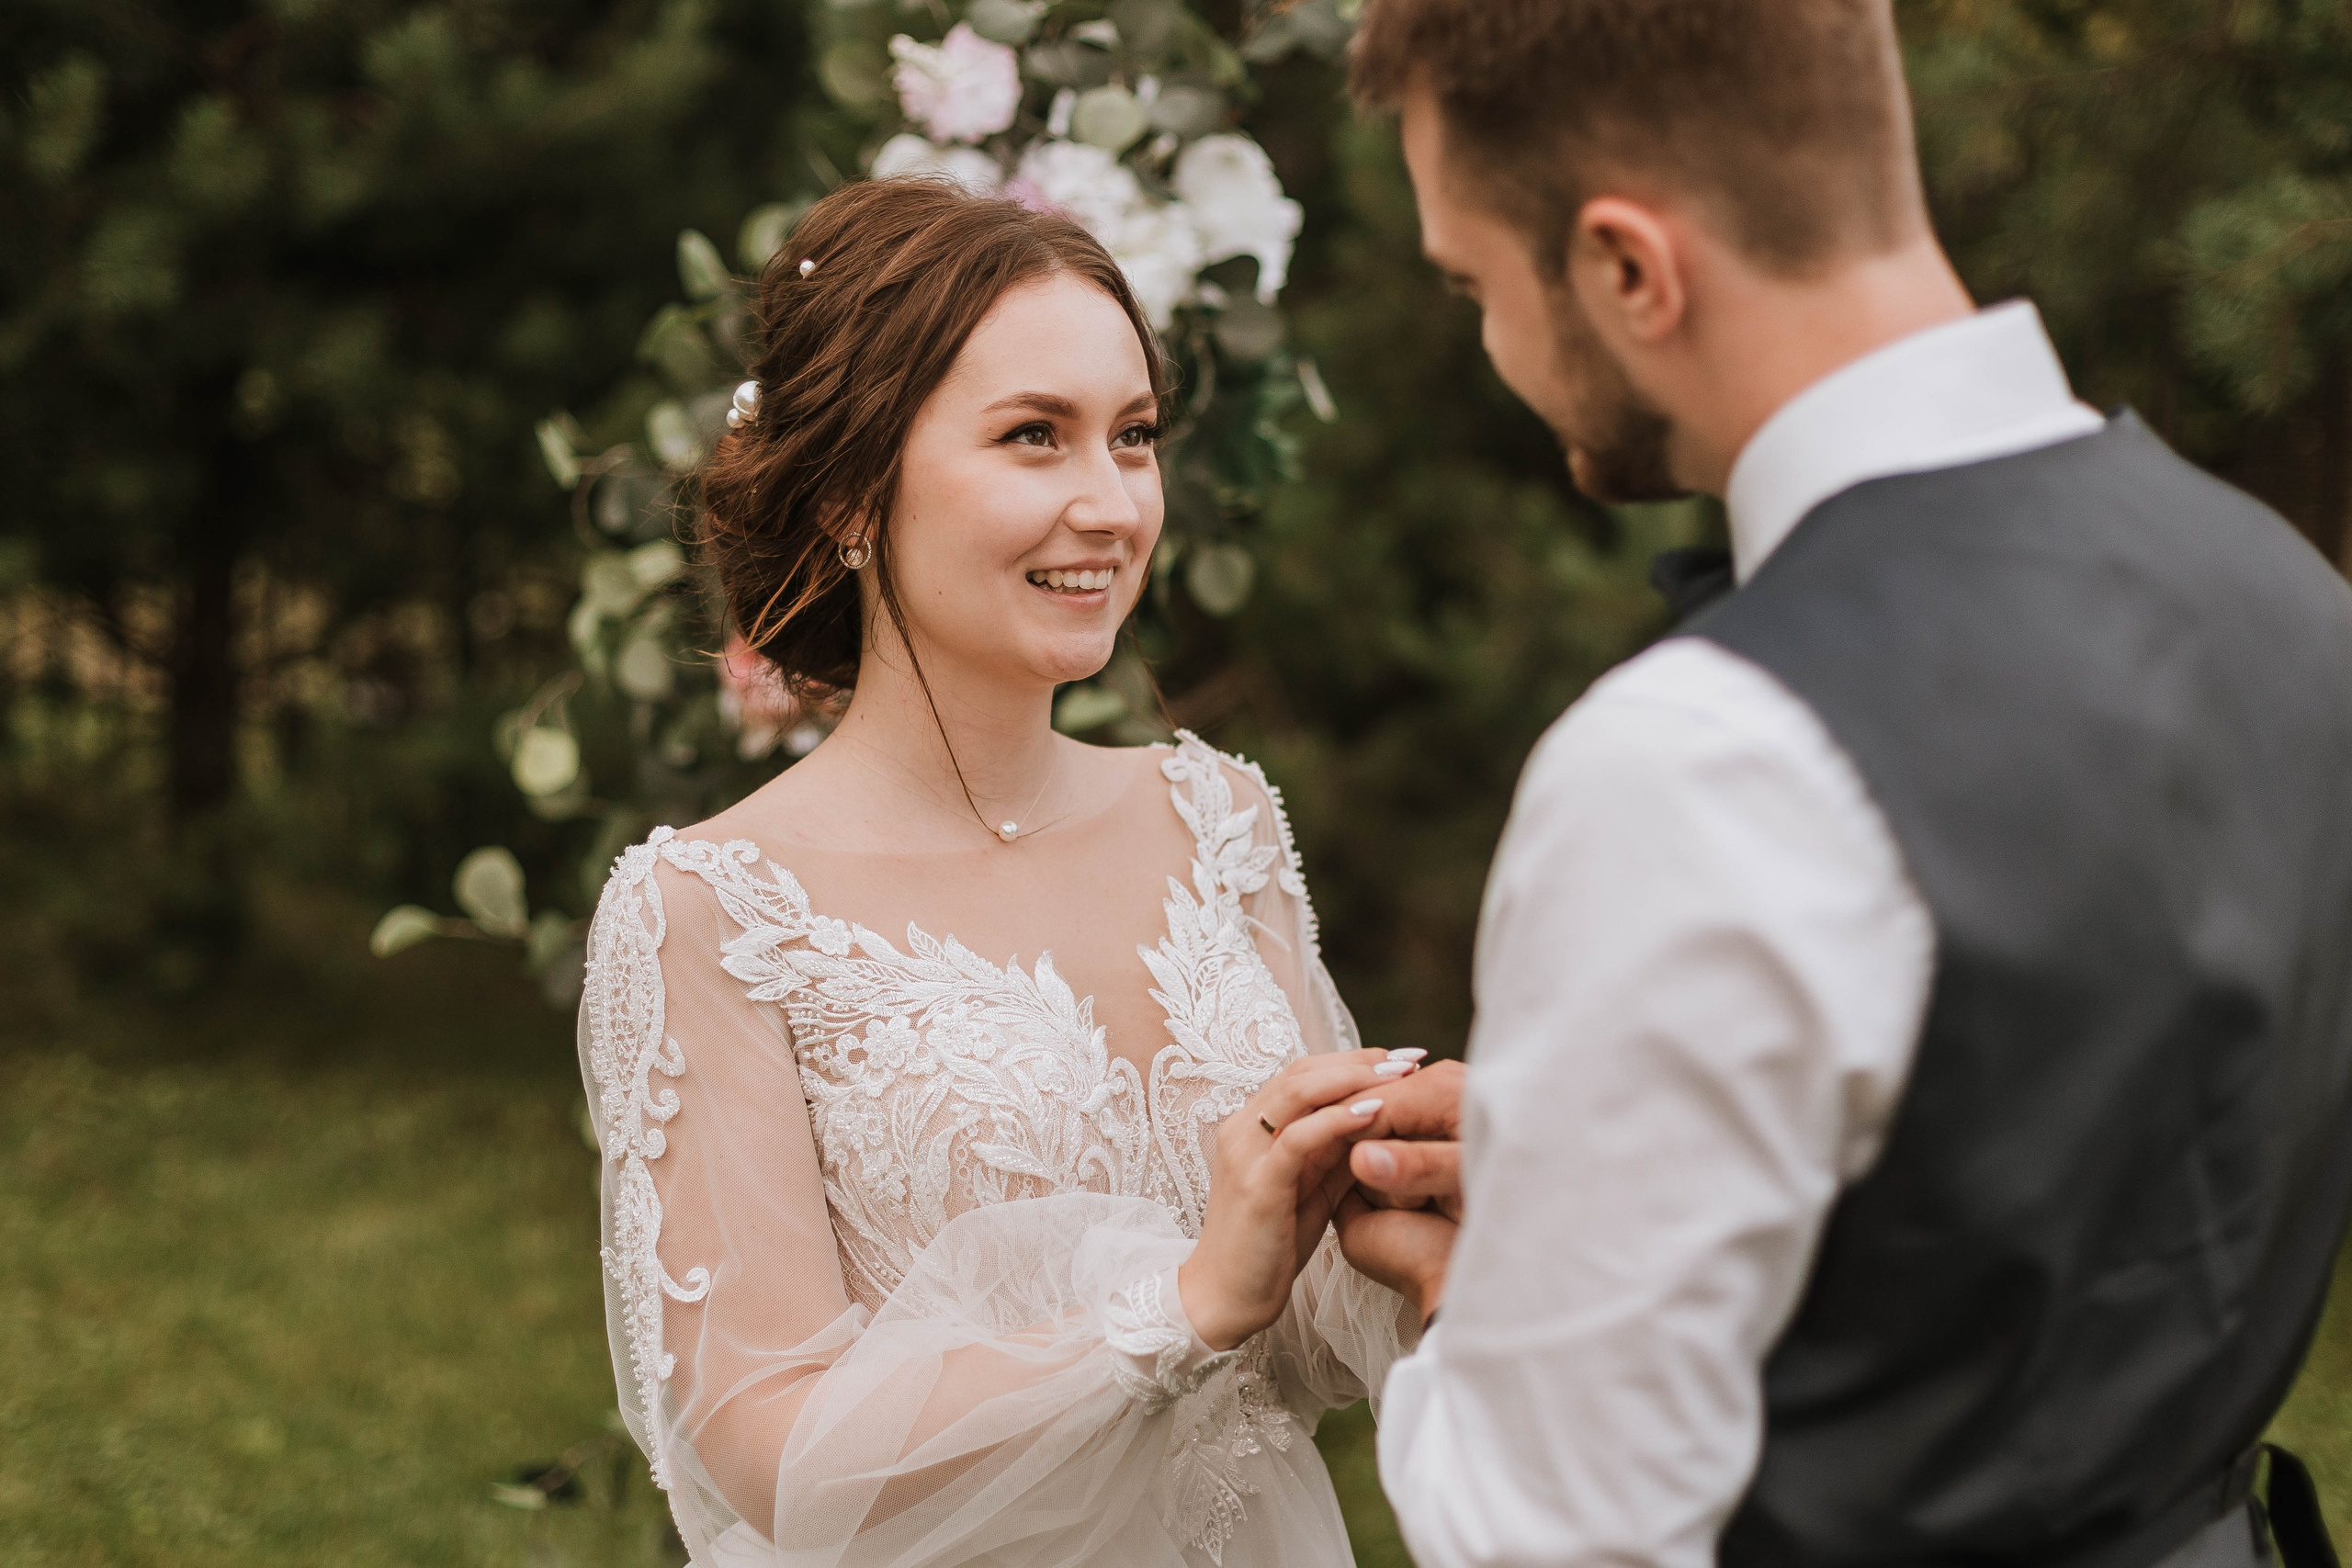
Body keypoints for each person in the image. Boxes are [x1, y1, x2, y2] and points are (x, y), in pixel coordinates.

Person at [1334, 4, 2352, 1568]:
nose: (1489, 346)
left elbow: (1559, 1539)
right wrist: (1613, 1186)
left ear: (1626, 268)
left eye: (1473, 283)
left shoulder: (1696, 759)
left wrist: (1503, 1309)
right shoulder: (2290, 598)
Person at [575, 179, 1425, 1567]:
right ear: (852, 494)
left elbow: (1305, 1326)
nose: (1109, 504)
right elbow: (771, 1448)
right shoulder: (712, 911)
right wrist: (1180, 1306)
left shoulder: (1218, 817)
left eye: (1134, 437)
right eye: (1036, 438)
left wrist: (1407, 1207)